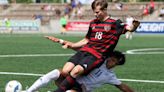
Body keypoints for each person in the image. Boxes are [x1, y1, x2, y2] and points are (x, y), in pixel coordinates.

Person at [53, 0, 140, 92]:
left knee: (75, 71)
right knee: (65, 71)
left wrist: (134, 26)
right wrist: (72, 45)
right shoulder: (93, 23)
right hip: (86, 52)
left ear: (105, 10)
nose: (95, 14)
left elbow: (129, 28)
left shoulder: (115, 23)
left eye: (97, 12)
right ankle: (74, 88)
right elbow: (86, 39)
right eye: (94, 12)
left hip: (97, 56)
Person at [25, 36, 133, 92]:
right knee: (57, 72)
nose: (112, 62)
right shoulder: (99, 59)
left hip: (80, 89)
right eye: (113, 59)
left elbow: (122, 87)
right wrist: (64, 43)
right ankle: (29, 91)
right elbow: (84, 53)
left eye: (116, 62)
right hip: (70, 80)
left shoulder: (110, 76)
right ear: (109, 56)